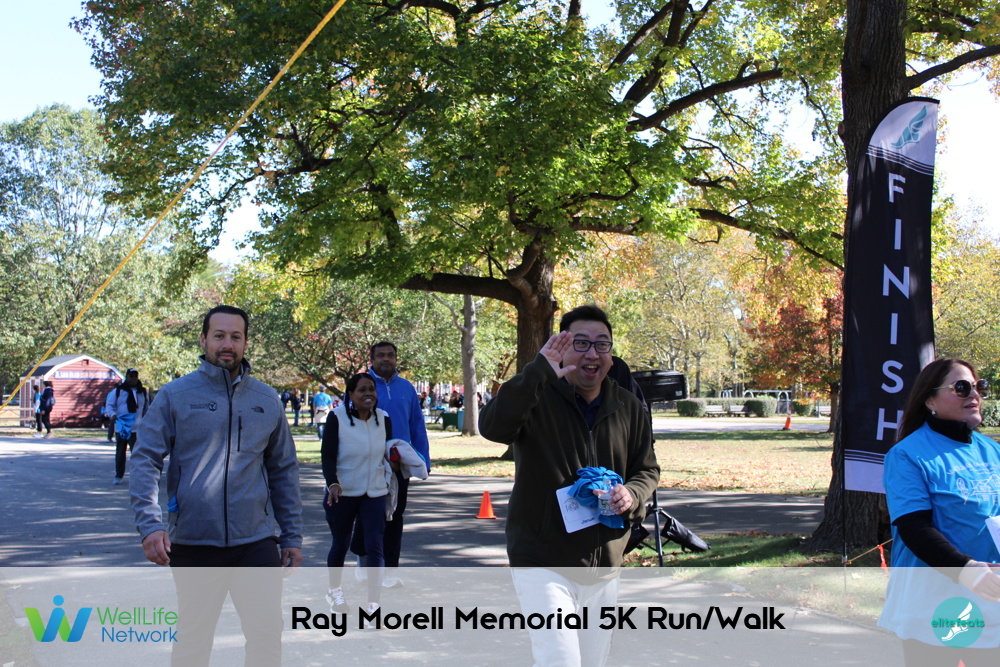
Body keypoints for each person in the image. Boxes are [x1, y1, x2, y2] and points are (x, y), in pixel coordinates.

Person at [479, 305, 659, 667]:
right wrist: (538, 372)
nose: (592, 353)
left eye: (602, 344)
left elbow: (647, 469)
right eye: (581, 343)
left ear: (611, 355)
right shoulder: (536, 396)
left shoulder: (627, 407)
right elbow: (493, 427)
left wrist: (632, 494)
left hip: (604, 563)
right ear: (562, 348)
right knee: (560, 659)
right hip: (542, 561)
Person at [129, 305, 303, 666]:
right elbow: (145, 459)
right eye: (219, 335)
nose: (227, 344)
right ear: (204, 339)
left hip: (255, 542)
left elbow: (283, 470)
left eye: (235, 337)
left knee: (266, 634)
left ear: (246, 342)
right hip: (194, 542)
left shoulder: (267, 400)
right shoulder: (175, 395)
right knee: (193, 641)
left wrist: (292, 535)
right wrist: (150, 525)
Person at [879, 358, 1000, 665]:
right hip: (934, 602)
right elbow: (914, 528)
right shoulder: (906, 455)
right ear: (930, 400)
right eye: (961, 388)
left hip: (991, 600)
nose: (974, 394)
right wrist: (967, 570)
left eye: (978, 386)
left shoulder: (993, 450)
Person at [351, 341, 431, 587]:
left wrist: (423, 460)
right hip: (368, 462)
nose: (386, 359)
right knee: (368, 514)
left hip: (399, 464)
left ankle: (389, 572)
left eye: (390, 355)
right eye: (381, 355)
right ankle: (365, 563)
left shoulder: (406, 388)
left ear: (396, 358)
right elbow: (349, 422)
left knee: (395, 516)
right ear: (372, 359)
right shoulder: (361, 386)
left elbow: (417, 425)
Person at [322, 372, 392, 617]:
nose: (368, 394)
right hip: (343, 492)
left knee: (375, 546)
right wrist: (332, 483)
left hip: (375, 492)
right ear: (350, 394)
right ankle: (334, 591)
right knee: (340, 544)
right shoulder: (337, 417)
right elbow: (328, 455)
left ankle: (373, 605)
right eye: (362, 390)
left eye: (371, 389)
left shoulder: (383, 418)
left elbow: (387, 452)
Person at [106, 368, 149, 485]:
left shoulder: (142, 392)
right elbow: (109, 405)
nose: (133, 378)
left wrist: (147, 421)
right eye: (131, 376)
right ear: (127, 377)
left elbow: (146, 408)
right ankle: (118, 475)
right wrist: (113, 415)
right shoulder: (118, 391)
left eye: (135, 376)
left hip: (137, 427)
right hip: (122, 426)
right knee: (120, 452)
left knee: (137, 453)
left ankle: (137, 475)